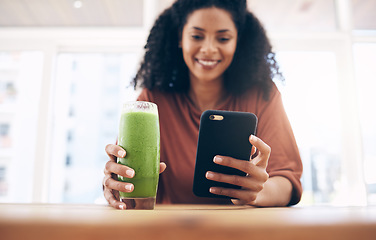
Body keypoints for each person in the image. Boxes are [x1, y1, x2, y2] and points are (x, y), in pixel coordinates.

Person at [103, 0, 303, 210]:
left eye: (223, 38)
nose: (208, 49)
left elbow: (288, 182)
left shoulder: (263, 95)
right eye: (197, 36)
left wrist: (258, 192)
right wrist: (116, 182)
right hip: (171, 230)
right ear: (180, 37)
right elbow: (126, 179)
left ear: (238, 41)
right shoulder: (152, 101)